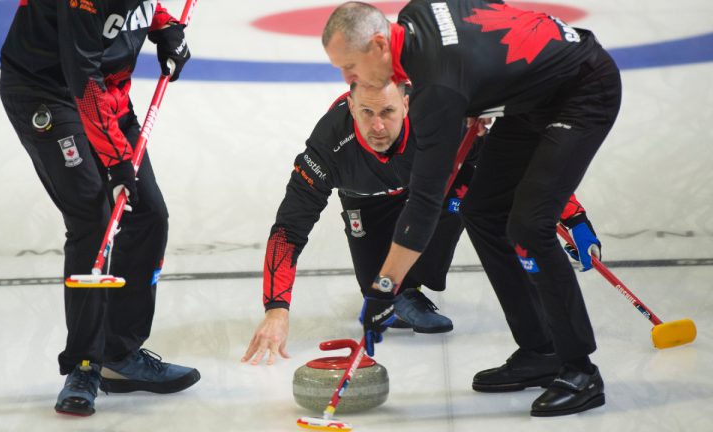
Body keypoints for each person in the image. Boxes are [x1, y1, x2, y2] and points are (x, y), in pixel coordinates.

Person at [322, 0, 620, 417]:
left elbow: (425, 203)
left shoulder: (437, 90)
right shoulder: (417, 13)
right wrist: (480, 91)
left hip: (583, 91)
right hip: (533, 96)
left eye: (350, 67)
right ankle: (540, 350)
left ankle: (580, 371)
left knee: (530, 227)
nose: (348, 78)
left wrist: (384, 287)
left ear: (377, 44)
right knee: (481, 210)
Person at [241, 81, 598, 367]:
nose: (377, 126)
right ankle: (400, 292)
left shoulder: (440, 121)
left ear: (407, 105)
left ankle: (524, 310)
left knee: (474, 197)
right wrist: (277, 310)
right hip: (366, 200)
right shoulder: (327, 149)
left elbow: (515, 163)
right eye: (366, 112)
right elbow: (288, 231)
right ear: (350, 107)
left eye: (388, 112)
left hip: (434, 190)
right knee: (377, 289)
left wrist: (573, 215)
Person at [0, 0, 200, 416]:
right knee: (93, 217)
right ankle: (85, 365)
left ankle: (119, 355)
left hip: (105, 90)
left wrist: (165, 27)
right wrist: (116, 161)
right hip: (47, 92)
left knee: (148, 214)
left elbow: (136, 10)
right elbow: (81, 79)